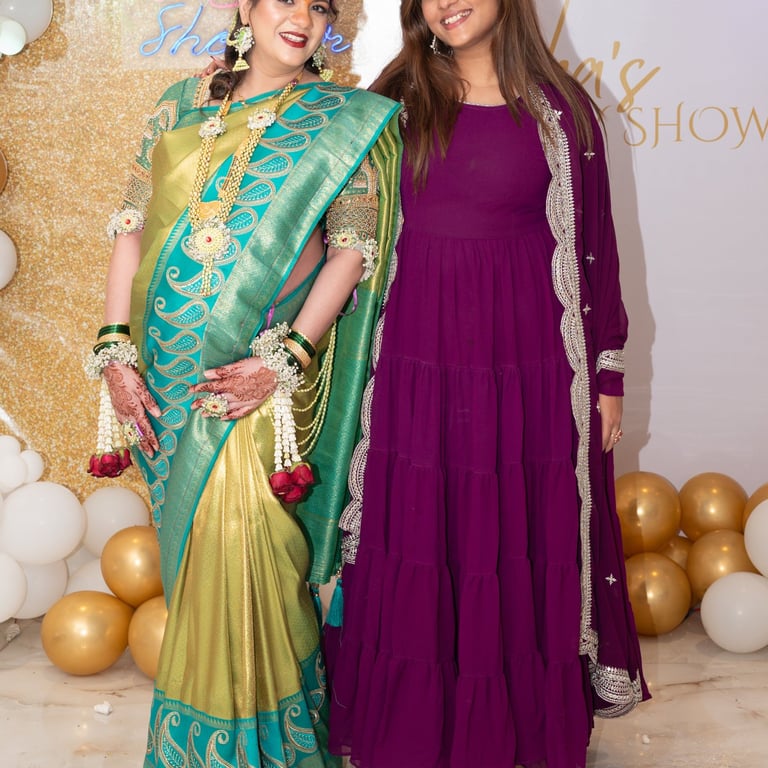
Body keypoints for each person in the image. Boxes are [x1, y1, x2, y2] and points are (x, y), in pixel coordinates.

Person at [327, 1, 650, 767]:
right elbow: (338, 217)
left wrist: (607, 371)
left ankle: (514, 732)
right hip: (416, 364)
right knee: (418, 534)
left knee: (514, 537)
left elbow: (594, 247)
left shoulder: (562, 113)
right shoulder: (394, 100)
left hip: (527, 372)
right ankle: (411, 731)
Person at [86, 1, 402, 766]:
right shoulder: (180, 104)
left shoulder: (342, 120)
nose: (303, 17)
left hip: (253, 381)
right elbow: (131, 229)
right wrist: (115, 350)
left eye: (320, 5)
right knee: (193, 566)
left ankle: (270, 751)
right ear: (246, 9)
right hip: (161, 380)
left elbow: (352, 250)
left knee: (248, 552)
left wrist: (284, 357)